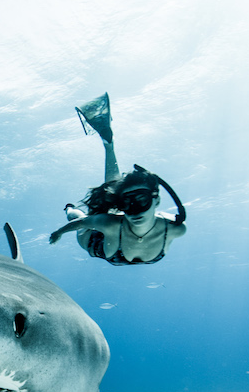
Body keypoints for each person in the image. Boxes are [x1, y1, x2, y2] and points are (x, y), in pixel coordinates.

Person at [47, 93, 187, 265]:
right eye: (126, 203)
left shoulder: (175, 228)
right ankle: (69, 208)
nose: (134, 210)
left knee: (112, 191)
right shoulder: (110, 224)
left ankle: (108, 145)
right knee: (81, 217)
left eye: (140, 200)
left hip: (117, 232)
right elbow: (81, 222)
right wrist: (58, 232)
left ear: (156, 200)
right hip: (95, 241)